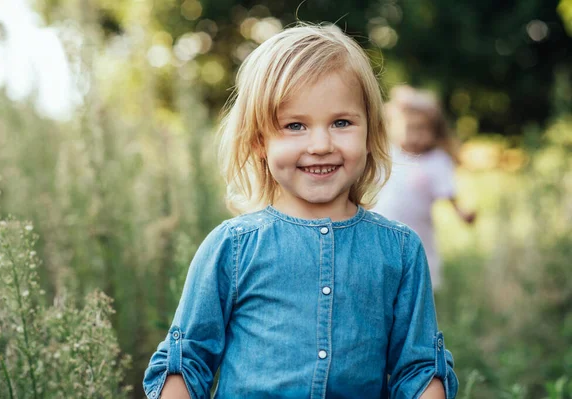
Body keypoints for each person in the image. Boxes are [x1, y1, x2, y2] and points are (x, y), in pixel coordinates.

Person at [143, 24, 458, 399]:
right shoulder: (232, 248)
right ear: (260, 142)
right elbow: (186, 363)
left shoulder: (401, 250)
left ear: (370, 131)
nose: (321, 144)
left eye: (341, 123)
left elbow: (418, 370)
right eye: (295, 126)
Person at [373, 86, 476, 291]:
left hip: (417, 236)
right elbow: (374, 118)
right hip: (380, 233)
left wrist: (462, 213)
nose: (416, 135)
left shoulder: (437, 161)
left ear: (434, 132)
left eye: (423, 129)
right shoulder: (389, 153)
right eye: (410, 128)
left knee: (414, 283)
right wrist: (400, 103)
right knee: (381, 281)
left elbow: (450, 194)